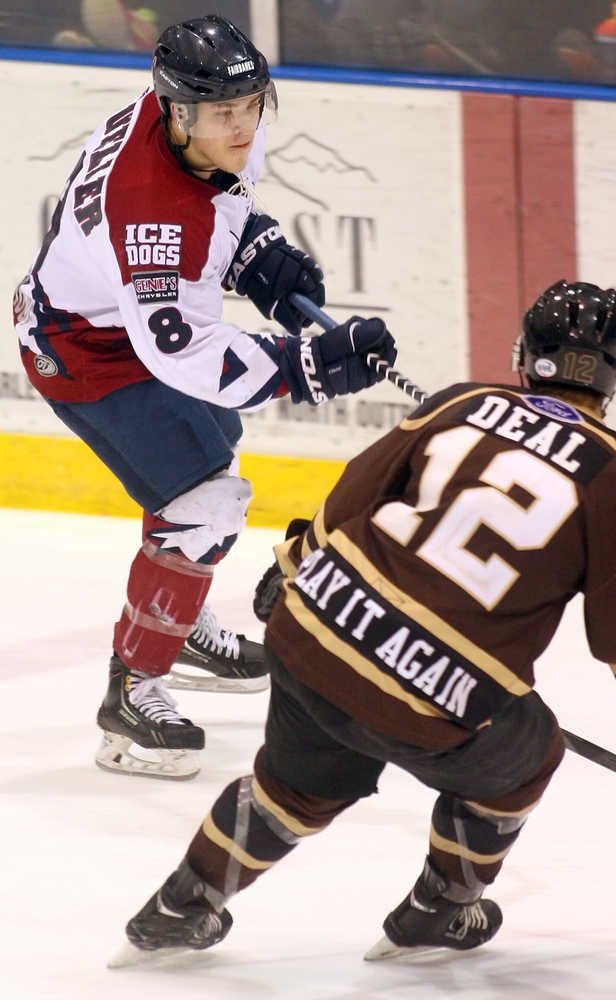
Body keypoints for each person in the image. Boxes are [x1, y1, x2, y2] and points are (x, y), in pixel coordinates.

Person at [115, 279, 616, 960]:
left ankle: (181, 902)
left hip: (314, 627)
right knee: (531, 754)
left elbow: (351, 495)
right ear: (615, 375)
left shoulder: (463, 403)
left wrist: (293, 569)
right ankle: (439, 910)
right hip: (436, 696)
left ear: (525, 352)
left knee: (295, 785)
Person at [12, 14, 396, 780]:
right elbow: (183, 354)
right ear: (180, 111)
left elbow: (220, 205)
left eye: (253, 104)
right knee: (206, 504)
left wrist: (255, 248)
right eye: (224, 114)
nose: (244, 125)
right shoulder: (151, 211)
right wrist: (310, 367)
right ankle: (135, 687)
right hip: (85, 355)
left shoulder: (193, 121)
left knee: (211, 455)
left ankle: (179, 624)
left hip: (110, 324)